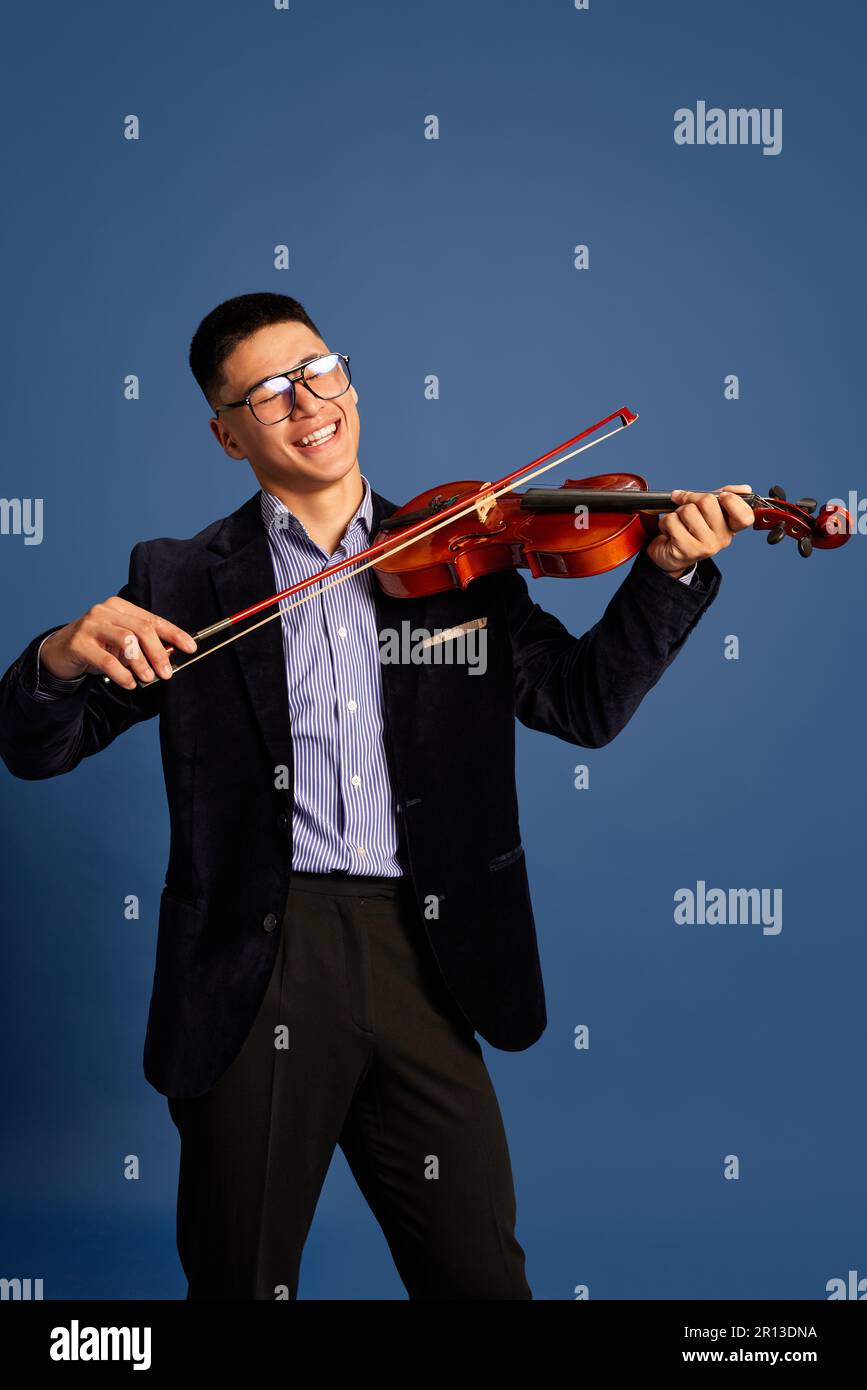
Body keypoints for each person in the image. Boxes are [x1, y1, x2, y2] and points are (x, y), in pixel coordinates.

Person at [0, 292, 755, 1299]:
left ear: (348, 381)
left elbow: (581, 704)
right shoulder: (179, 581)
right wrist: (58, 656)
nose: (308, 401)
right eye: (268, 393)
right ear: (228, 435)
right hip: (257, 962)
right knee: (239, 1280)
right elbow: (41, 749)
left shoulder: (462, 554)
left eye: (320, 370)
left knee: (481, 1281)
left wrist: (665, 570)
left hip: (426, 950)